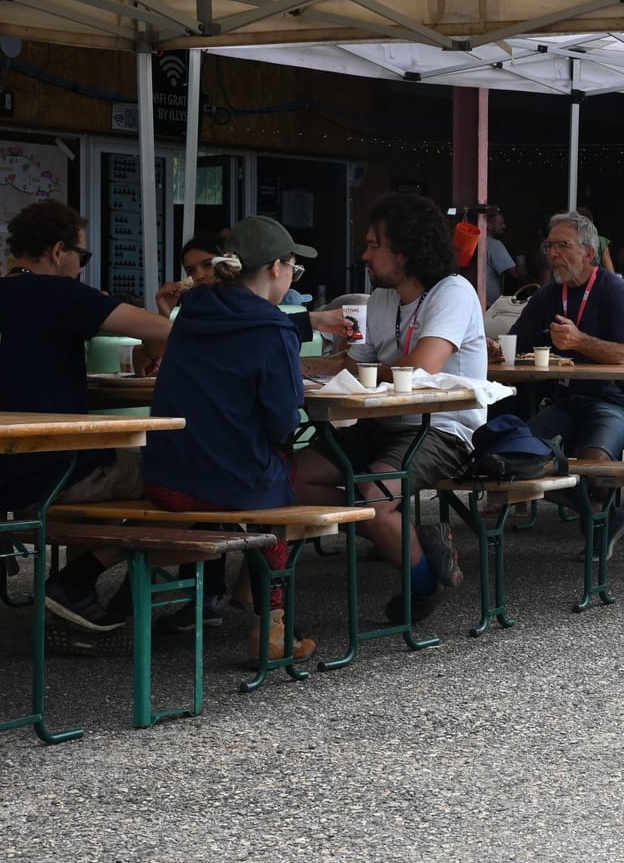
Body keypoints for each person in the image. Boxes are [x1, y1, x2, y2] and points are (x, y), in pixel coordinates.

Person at [0, 199, 173, 630]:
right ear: (58, 251)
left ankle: (79, 597)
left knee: (98, 459)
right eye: (82, 256)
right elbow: (167, 331)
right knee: (184, 474)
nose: (82, 268)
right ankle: (77, 581)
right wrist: (154, 331)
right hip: (51, 474)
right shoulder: (58, 293)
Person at [293, 193, 484, 623]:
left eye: (373, 245)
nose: (364, 255)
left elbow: (421, 369)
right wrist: (300, 367)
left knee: (373, 502)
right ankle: (413, 535)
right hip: (382, 422)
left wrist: (357, 371)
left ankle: (425, 582)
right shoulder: (381, 297)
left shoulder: (454, 292)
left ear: (405, 248)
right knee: (291, 479)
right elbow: (354, 365)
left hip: (442, 428)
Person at [145, 216, 324, 662]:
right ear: (277, 267)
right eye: (294, 268)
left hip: (166, 476)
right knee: (280, 480)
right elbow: (283, 421)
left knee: (258, 469)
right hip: (231, 485)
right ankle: (272, 625)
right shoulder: (273, 329)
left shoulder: (191, 312)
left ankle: (213, 600)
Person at [505, 210, 624, 546]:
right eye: (549, 246)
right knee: (513, 458)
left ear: (588, 252)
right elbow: (515, 341)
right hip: (567, 400)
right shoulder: (548, 294)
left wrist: (580, 341)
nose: (552, 253)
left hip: (617, 401)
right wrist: (494, 348)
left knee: (594, 465)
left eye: (562, 246)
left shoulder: (615, 290)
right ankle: (602, 515)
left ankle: (598, 515)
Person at [154, 232, 228, 316]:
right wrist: (165, 312)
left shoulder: (240, 308)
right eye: (191, 270)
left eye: (207, 265)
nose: (199, 276)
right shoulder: (189, 310)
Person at [479, 207, 516, 304]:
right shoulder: (495, 245)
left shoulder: (479, 243)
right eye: (500, 224)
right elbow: (512, 272)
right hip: (491, 304)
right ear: (489, 226)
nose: (504, 226)